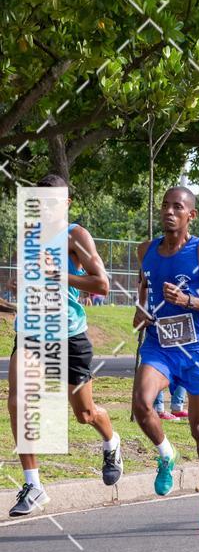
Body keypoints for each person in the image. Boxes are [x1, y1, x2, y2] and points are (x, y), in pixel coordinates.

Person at [7, 174, 124, 518]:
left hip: (68, 335)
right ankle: (34, 483)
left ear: (66, 203)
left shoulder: (76, 235)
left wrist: (57, 274)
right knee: (19, 401)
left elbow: (101, 284)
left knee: (84, 413)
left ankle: (111, 442)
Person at [132, 186, 199, 529]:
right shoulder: (146, 250)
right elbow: (144, 286)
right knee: (142, 405)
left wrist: (189, 301)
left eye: (177, 207)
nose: (169, 212)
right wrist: (141, 310)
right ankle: (166, 454)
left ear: (192, 215)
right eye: (165, 206)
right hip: (159, 345)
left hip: (195, 350)